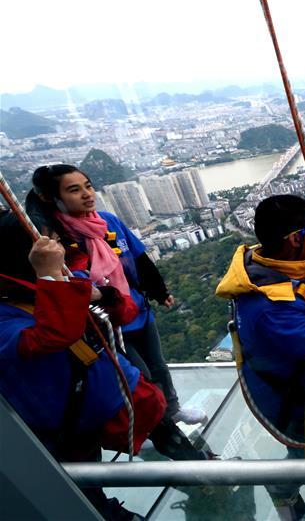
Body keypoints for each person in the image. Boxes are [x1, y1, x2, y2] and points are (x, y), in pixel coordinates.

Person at [0, 211, 166, 520]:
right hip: (65, 427)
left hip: (95, 410)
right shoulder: (13, 309)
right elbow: (51, 337)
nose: (60, 248)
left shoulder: (56, 283)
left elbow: (124, 312)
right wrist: (50, 278)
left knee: (92, 476)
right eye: (51, 244)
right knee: (81, 489)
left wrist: (102, 293)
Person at [215, 194, 305, 520]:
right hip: (287, 391)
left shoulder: (278, 265)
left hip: (300, 376)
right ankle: (287, 485)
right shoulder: (269, 305)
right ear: (295, 238)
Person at [27, 164, 207, 427]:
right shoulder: (54, 242)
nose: (87, 194)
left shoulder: (107, 221)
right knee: (139, 375)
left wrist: (159, 291)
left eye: (88, 186)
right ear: (50, 198)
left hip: (136, 308)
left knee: (158, 366)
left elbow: (138, 258)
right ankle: (160, 424)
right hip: (105, 323)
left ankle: (173, 408)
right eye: (74, 190)